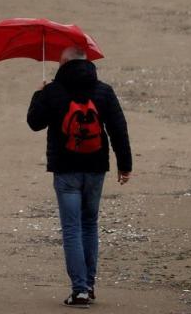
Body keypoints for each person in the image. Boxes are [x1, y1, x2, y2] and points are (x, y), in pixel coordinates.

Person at [27, 46, 132, 308]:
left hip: (66, 170)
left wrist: (39, 93)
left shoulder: (53, 91)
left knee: (72, 228)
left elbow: (34, 123)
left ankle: (80, 290)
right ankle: (89, 284)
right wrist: (125, 165)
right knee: (89, 224)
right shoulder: (103, 91)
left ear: (64, 62)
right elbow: (118, 129)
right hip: (96, 168)